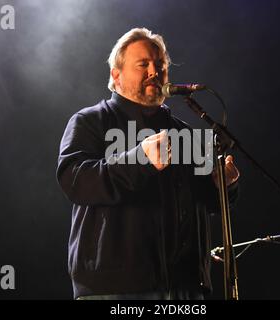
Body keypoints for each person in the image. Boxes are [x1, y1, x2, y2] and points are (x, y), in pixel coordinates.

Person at [56, 27, 240, 300]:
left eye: (161, 64)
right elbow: (75, 181)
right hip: (117, 290)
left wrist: (223, 186)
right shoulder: (90, 121)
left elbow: (208, 204)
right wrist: (140, 158)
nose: (155, 71)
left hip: (185, 287)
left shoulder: (186, 134)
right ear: (115, 75)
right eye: (143, 64)